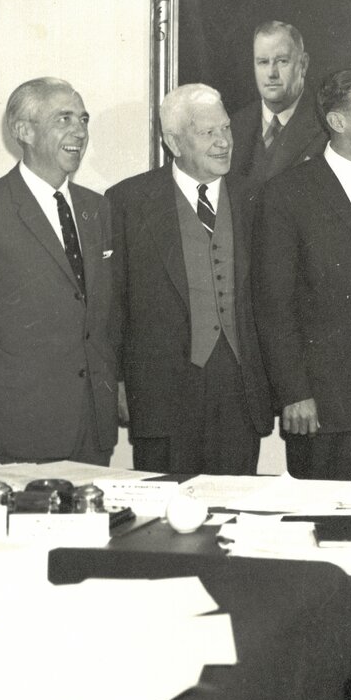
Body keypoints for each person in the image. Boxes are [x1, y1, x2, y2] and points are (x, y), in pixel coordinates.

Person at [253, 68, 351, 479]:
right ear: (338, 122)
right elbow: (273, 306)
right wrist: (293, 393)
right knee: (320, 528)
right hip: (320, 407)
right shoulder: (288, 193)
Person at [107, 84, 272, 474]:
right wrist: (116, 382)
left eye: (227, 129)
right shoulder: (126, 201)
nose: (223, 142)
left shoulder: (257, 197)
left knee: (235, 510)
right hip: (161, 393)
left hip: (239, 390)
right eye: (207, 133)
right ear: (174, 142)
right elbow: (112, 304)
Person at [0, 77, 117, 464]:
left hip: (91, 431)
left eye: (83, 118)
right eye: (64, 119)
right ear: (23, 131)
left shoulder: (97, 209)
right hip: (13, 433)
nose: (80, 131)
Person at [229, 21, 327, 188]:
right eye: (263, 62)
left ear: (303, 65)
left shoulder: (326, 126)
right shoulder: (234, 126)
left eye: (282, 61)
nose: (271, 73)